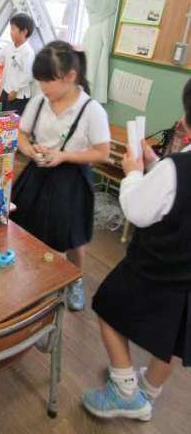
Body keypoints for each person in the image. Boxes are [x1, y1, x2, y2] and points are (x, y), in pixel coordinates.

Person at [82, 78, 191, 422]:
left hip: (156, 265)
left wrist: (133, 173)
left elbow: (137, 211)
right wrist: (155, 164)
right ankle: (148, 392)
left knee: (107, 306)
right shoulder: (173, 168)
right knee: (174, 337)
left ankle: (125, 390)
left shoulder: (177, 168)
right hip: (186, 277)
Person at [10, 41, 110, 310]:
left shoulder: (91, 110)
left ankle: (75, 279)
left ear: (70, 77)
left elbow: (102, 153)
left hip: (71, 179)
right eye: (39, 80)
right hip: (38, 172)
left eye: (48, 81)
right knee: (25, 226)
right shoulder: (39, 101)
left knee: (71, 236)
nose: (42, 87)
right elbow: (22, 134)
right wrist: (29, 150)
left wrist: (63, 156)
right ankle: (29, 276)